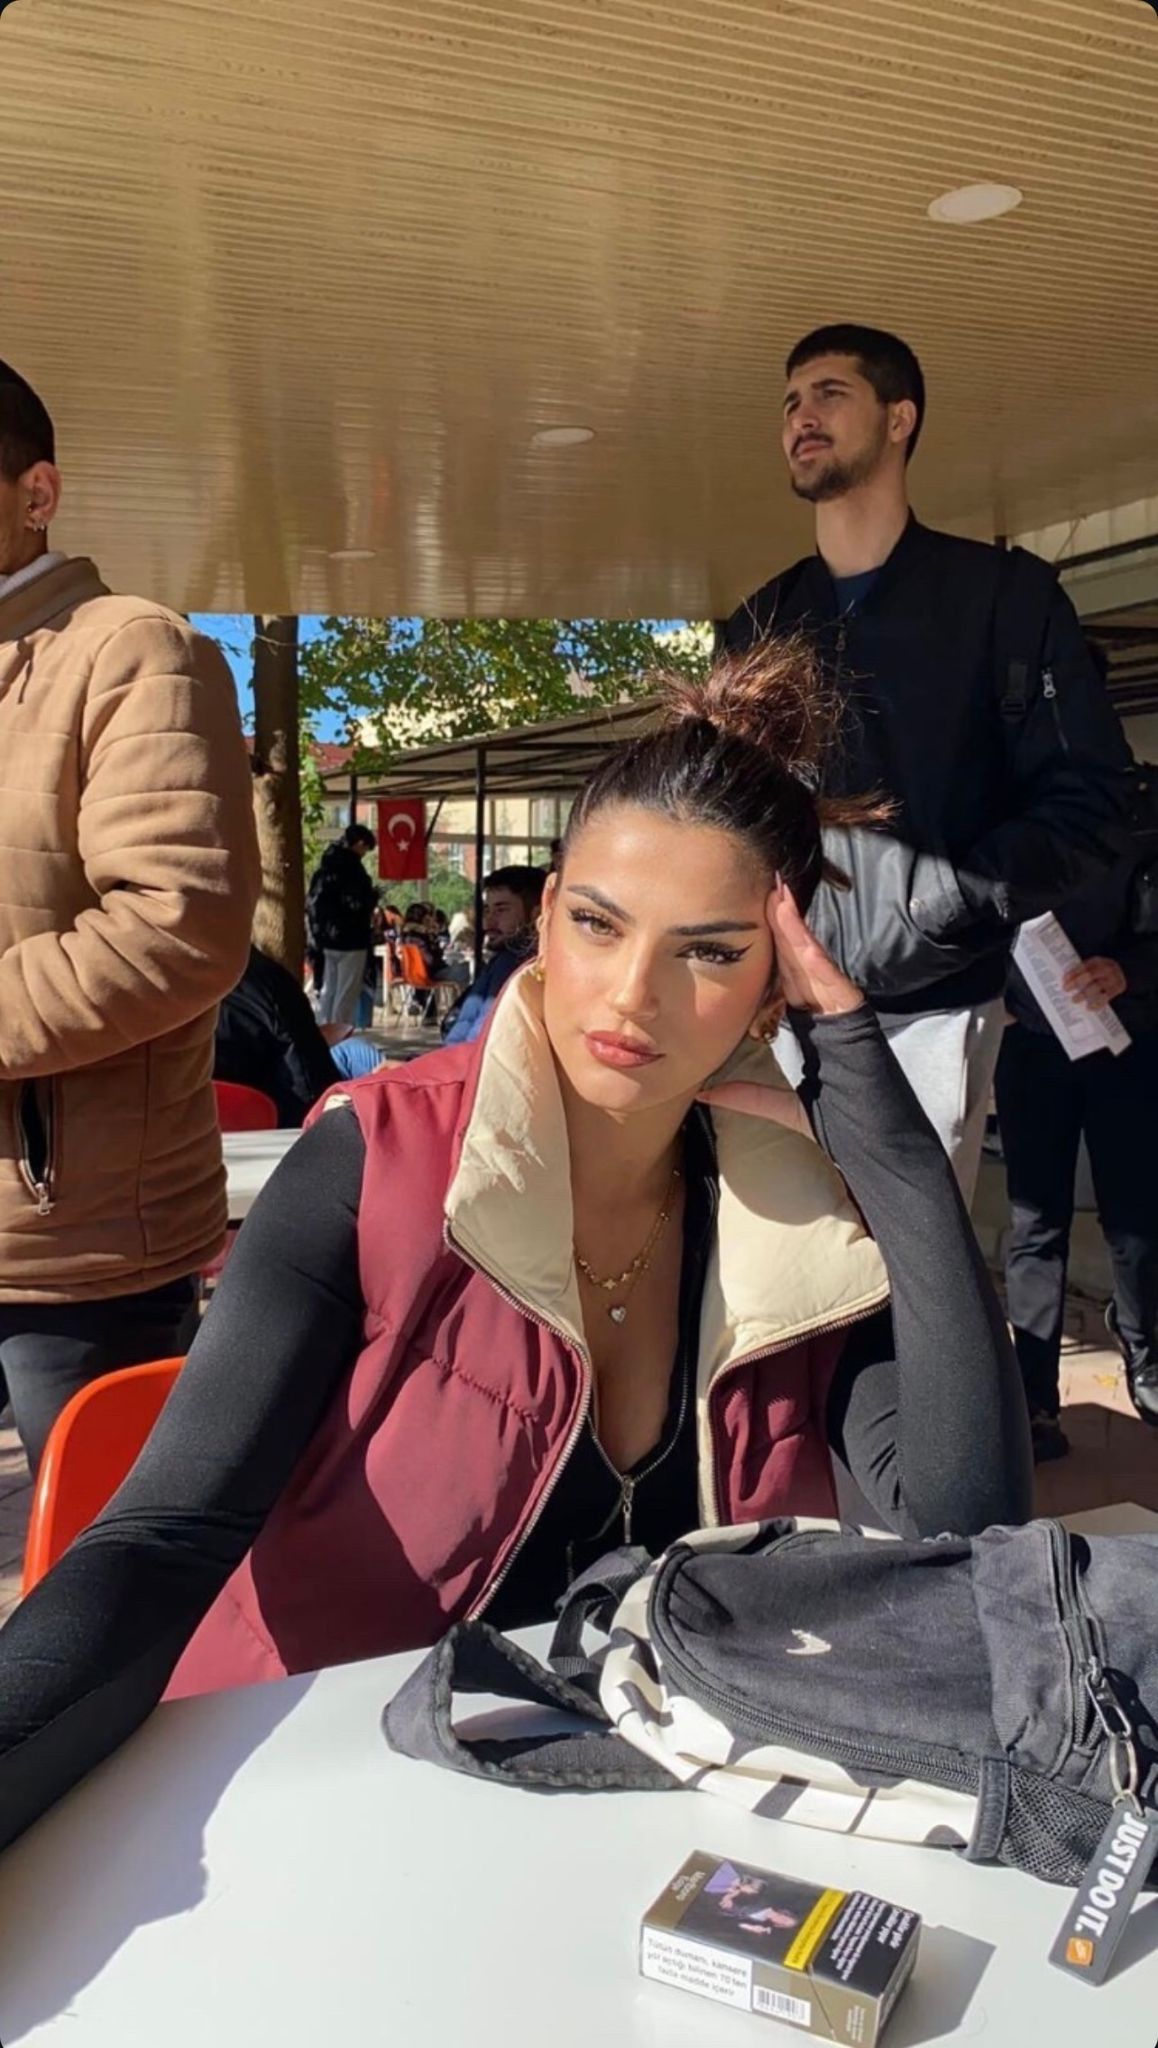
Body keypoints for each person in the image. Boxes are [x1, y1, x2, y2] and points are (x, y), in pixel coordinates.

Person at [0, 647, 1033, 1856]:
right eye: (598, 923)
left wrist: (899, 1162)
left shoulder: (791, 1209)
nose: (632, 993)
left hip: (644, 1816)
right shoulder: (376, 1161)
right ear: (544, 919)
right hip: (340, 1811)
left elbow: (969, 1534)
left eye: (708, 950)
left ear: (776, 987)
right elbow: (159, 1542)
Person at [723, 323, 1130, 1199]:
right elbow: (724, 812)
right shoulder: (760, 623)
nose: (801, 416)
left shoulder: (1007, 599)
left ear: (899, 418)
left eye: (830, 393)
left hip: (934, 1013)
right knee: (775, 1261)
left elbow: (1092, 799)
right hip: (774, 1013)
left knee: (909, 1261)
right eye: (791, 402)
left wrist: (943, 905)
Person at [0, 357, 259, 1475]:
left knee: (103, 1562)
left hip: (74, 1250)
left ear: (38, 492)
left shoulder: (135, 649)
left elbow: (178, 926)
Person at [996, 770, 1158, 1460]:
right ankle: (1034, 1399)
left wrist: (1129, 971)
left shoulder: (1143, 808)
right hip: (1032, 1046)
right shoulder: (1000, 815)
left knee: (1136, 1217)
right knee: (1036, 1223)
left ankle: (1145, 1358)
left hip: (1127, 1042)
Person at [215, 945, 341, 1127]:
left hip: (187, 1131)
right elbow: (311, 1086)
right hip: (275, 1129)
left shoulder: (172, 986)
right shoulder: (269, 982)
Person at [442, 864, 548, 1045]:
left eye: (501, 910)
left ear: (537, 914)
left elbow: (481, 1042)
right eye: (487, 910)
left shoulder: (513, 964)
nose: (488, 922)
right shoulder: (504, 960)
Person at [306, 824, 378, 1027]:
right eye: (366, 849)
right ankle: (340, 1034)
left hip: (326, 939)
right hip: (352, 939)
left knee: (328, 989)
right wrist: (372, 898)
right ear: (360, 844)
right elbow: (357, 904)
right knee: (346, 992)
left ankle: (323, 1030)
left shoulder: (325, 869)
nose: (364, 854)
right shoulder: (354, 872)